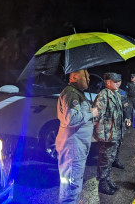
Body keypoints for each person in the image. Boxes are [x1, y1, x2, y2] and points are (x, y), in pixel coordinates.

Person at [55, 69, 98, 204]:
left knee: (73, 181)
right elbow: (71, 119)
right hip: (73, 147)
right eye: (86, 75)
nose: (89, 78)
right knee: (71, 185)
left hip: (76, 145)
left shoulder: (77, 93)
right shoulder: (72, 94)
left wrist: (89, 114)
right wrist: (92, 113)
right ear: (74, 77)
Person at [93, 72, 123, 195]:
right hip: (106, 134)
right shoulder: (103, 95)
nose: (118, 83)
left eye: (119, 81)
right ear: (107, 82)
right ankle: (102, 183)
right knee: (105, 158)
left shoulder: (116, 94)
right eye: (115, 81)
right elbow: (96, 115)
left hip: (115, 133)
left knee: (111, 158)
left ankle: (107, 178)